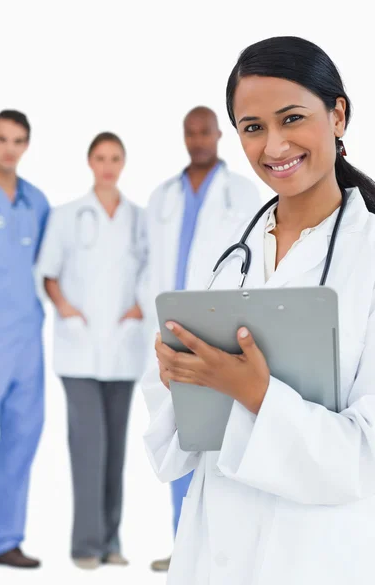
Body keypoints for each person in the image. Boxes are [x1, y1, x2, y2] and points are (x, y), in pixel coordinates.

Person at [141, 36, 375, 584]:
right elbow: (180, 440)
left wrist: (255, 393)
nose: (274, 145)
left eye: (292, 118)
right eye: (252, 127)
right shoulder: (230, 248)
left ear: (338, 115)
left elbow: (365, 456)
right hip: (215, 547)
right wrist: (182, 376)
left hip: (318, 553)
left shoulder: (368, 252)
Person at [142, 106, 261, 572]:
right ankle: (181, 544)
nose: (197, 140)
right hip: (166, 333)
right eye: (190, 133)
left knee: (216, 439)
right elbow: (148, 260)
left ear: (218, 135)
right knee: (177, 437)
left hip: (213, 328)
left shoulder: (242, 191)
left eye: (204, 132)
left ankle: (219, 548)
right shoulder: (161, 196)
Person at [36, 132, 147, 570]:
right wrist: (68, 312)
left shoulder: (139, 218)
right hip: (78, 349)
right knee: (89, 446)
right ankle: (86, 545)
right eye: (100, 157)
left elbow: (150, 272)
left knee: (115, 450)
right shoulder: (67, 215)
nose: (108, 165)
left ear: (124, 162)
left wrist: (138, 311)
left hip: (123, 348)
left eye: (115, 158)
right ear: (89, 162)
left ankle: (111, 541)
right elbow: (48, 273)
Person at [0, 110, 50, 569]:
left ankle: (5, 540)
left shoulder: (36, 201)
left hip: (27, 340)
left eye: (18, 141)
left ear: (26, 146)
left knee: (22, 440)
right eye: (2, 139)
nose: (9, 148)